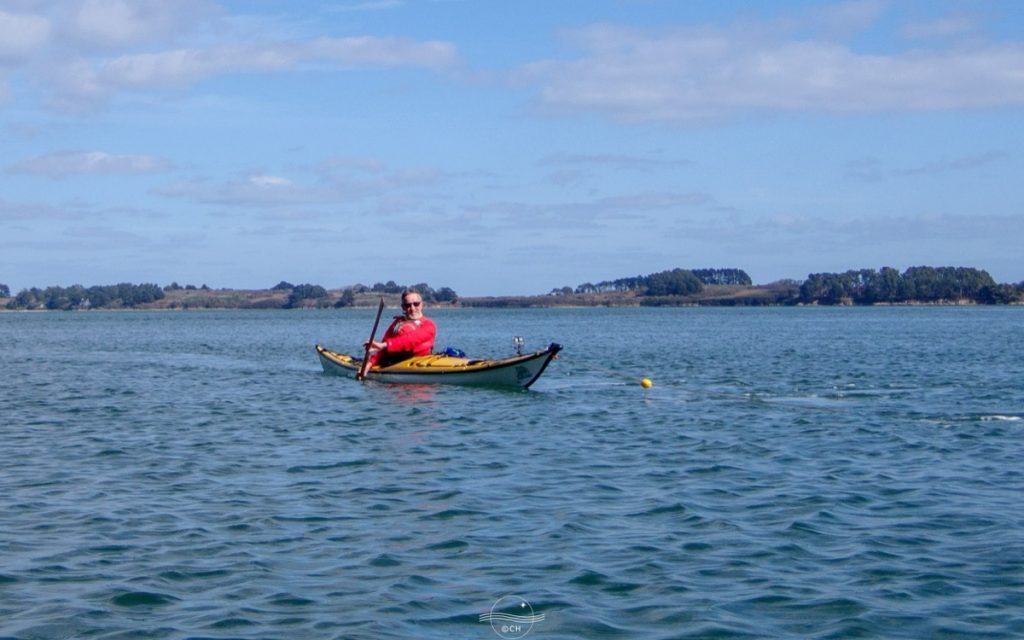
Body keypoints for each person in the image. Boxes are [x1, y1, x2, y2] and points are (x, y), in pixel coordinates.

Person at [365, 289, 436, 367]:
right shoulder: (397, 324)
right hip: (395, 363)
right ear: (403, 307)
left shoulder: (429, 325)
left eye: (416, 304)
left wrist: (386, 345)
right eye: (408, 305)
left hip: (420, 361)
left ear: (422, 305)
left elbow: (411, 339)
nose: (412, 308)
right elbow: (381, 350)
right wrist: (370, 363)